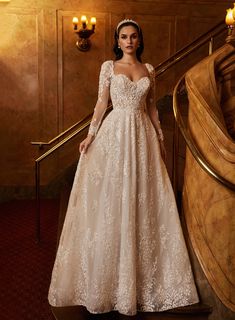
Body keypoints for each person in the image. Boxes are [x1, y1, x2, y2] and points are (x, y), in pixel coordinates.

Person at [48, 19, 199, 316]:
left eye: (133, 37)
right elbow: (101, 104)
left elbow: (153, 107)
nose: (128, 41)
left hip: (141, 135)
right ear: (117, 41)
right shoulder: (108, 67)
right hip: (115, 135)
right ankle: (106, 282)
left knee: (141, 200)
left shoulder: (149, 70)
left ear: (139, 41)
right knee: (113, 200)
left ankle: (138, 281)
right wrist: (90, 135)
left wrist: (159, 138)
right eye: (123, 37)